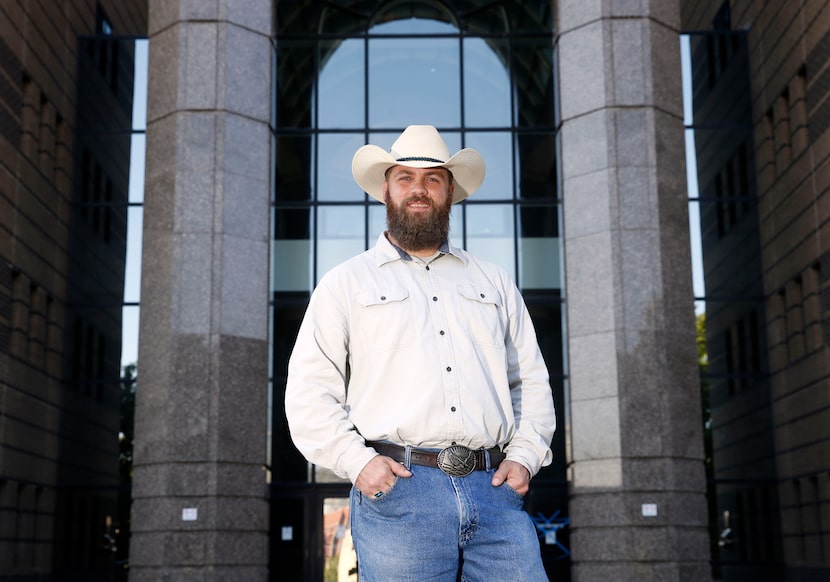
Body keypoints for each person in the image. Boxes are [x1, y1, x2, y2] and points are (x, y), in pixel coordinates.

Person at [285, 125, 555, 581]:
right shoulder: (345, 283)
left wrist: (524, 457)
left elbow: (528, 380)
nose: (418, 189)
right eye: (405, 177)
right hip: (400, 492)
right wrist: (360, 464)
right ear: (385, 190)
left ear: (449, 191)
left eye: (432, 179)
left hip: (495, 492)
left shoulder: (493, 282)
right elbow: (309, 392)